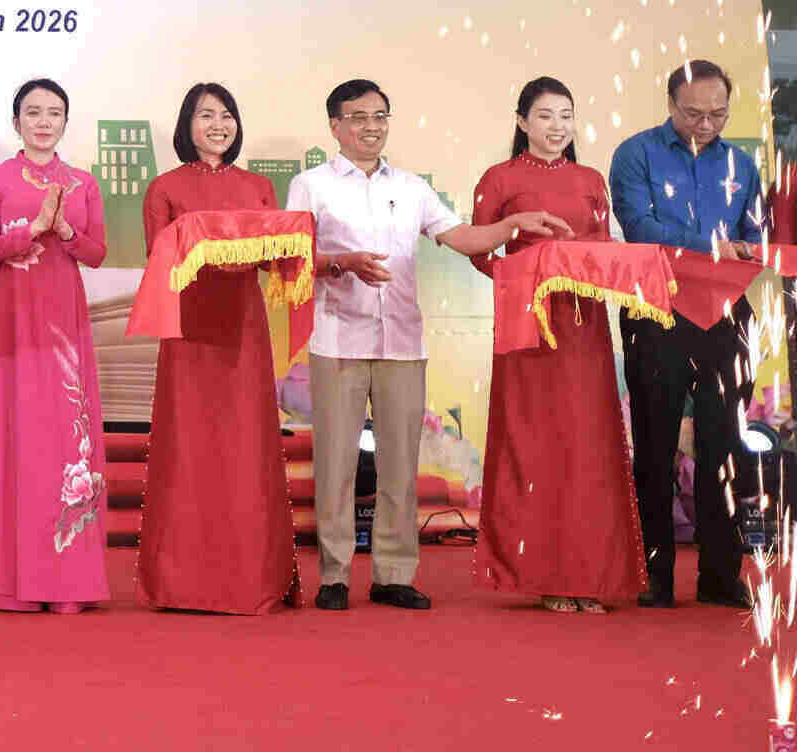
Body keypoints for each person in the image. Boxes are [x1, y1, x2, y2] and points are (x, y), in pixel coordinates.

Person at [287, 78, 569, 612]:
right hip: (337, 338)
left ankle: (394, 573)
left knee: (398, 464)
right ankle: (334, 575)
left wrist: (511, 224)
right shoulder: (311, 184)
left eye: (380, 116)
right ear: (335, 127)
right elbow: (297, 258)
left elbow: (460, 238)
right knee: (336, 463)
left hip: (402, 341)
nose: (371, 126)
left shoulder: (412, 187)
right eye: (358, 117)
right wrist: (341, 263)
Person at [468, 76, 645, 613]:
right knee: (536, 444)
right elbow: (481, 252)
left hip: (585, 327)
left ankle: (591, 576)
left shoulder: (592, 178)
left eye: (565, 116)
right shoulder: (498, 179)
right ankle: (546, 573)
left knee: (590, 446)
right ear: (522, 122)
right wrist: (529, 273)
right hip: (529, 329)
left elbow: (604, 248)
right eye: (544, 116)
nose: (557, 127)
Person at [609, 58, 764, 609]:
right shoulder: (636, 154)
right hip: (657, 313)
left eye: (718, 112)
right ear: (671, 104)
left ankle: (720, 576)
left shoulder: (742, 164)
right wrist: (715, 246)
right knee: (654, 443)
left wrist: (748, 245)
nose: (706, 123)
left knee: (723, 446)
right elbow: (640, 226)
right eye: (694, 112)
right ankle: (654, 574)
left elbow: (755, 232)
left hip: (725, 317)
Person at [137, 82, 296, 614]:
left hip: (244, 324)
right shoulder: (164, 188)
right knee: (189, 444)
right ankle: (183, 581)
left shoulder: (258, 187)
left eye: (226, 115)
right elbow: (157, 263)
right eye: (205, 116)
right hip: (188, 327)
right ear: (187, 125)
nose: (217, 125)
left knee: (246, 441)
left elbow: (276, 258)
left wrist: (304, 248)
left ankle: (253, 576)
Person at [0, 77, 109, 613]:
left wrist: (65, 231)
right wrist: (33, 229)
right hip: (12, 318)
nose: (44, 121)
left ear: (65, 122)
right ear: (16, 121)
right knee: (17, 434)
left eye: (54, 113)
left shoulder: (82, 182)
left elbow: (95, 252)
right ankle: (15, 583)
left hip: (62, 315)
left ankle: (67, 582)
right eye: (33, 112)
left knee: (66, 439)